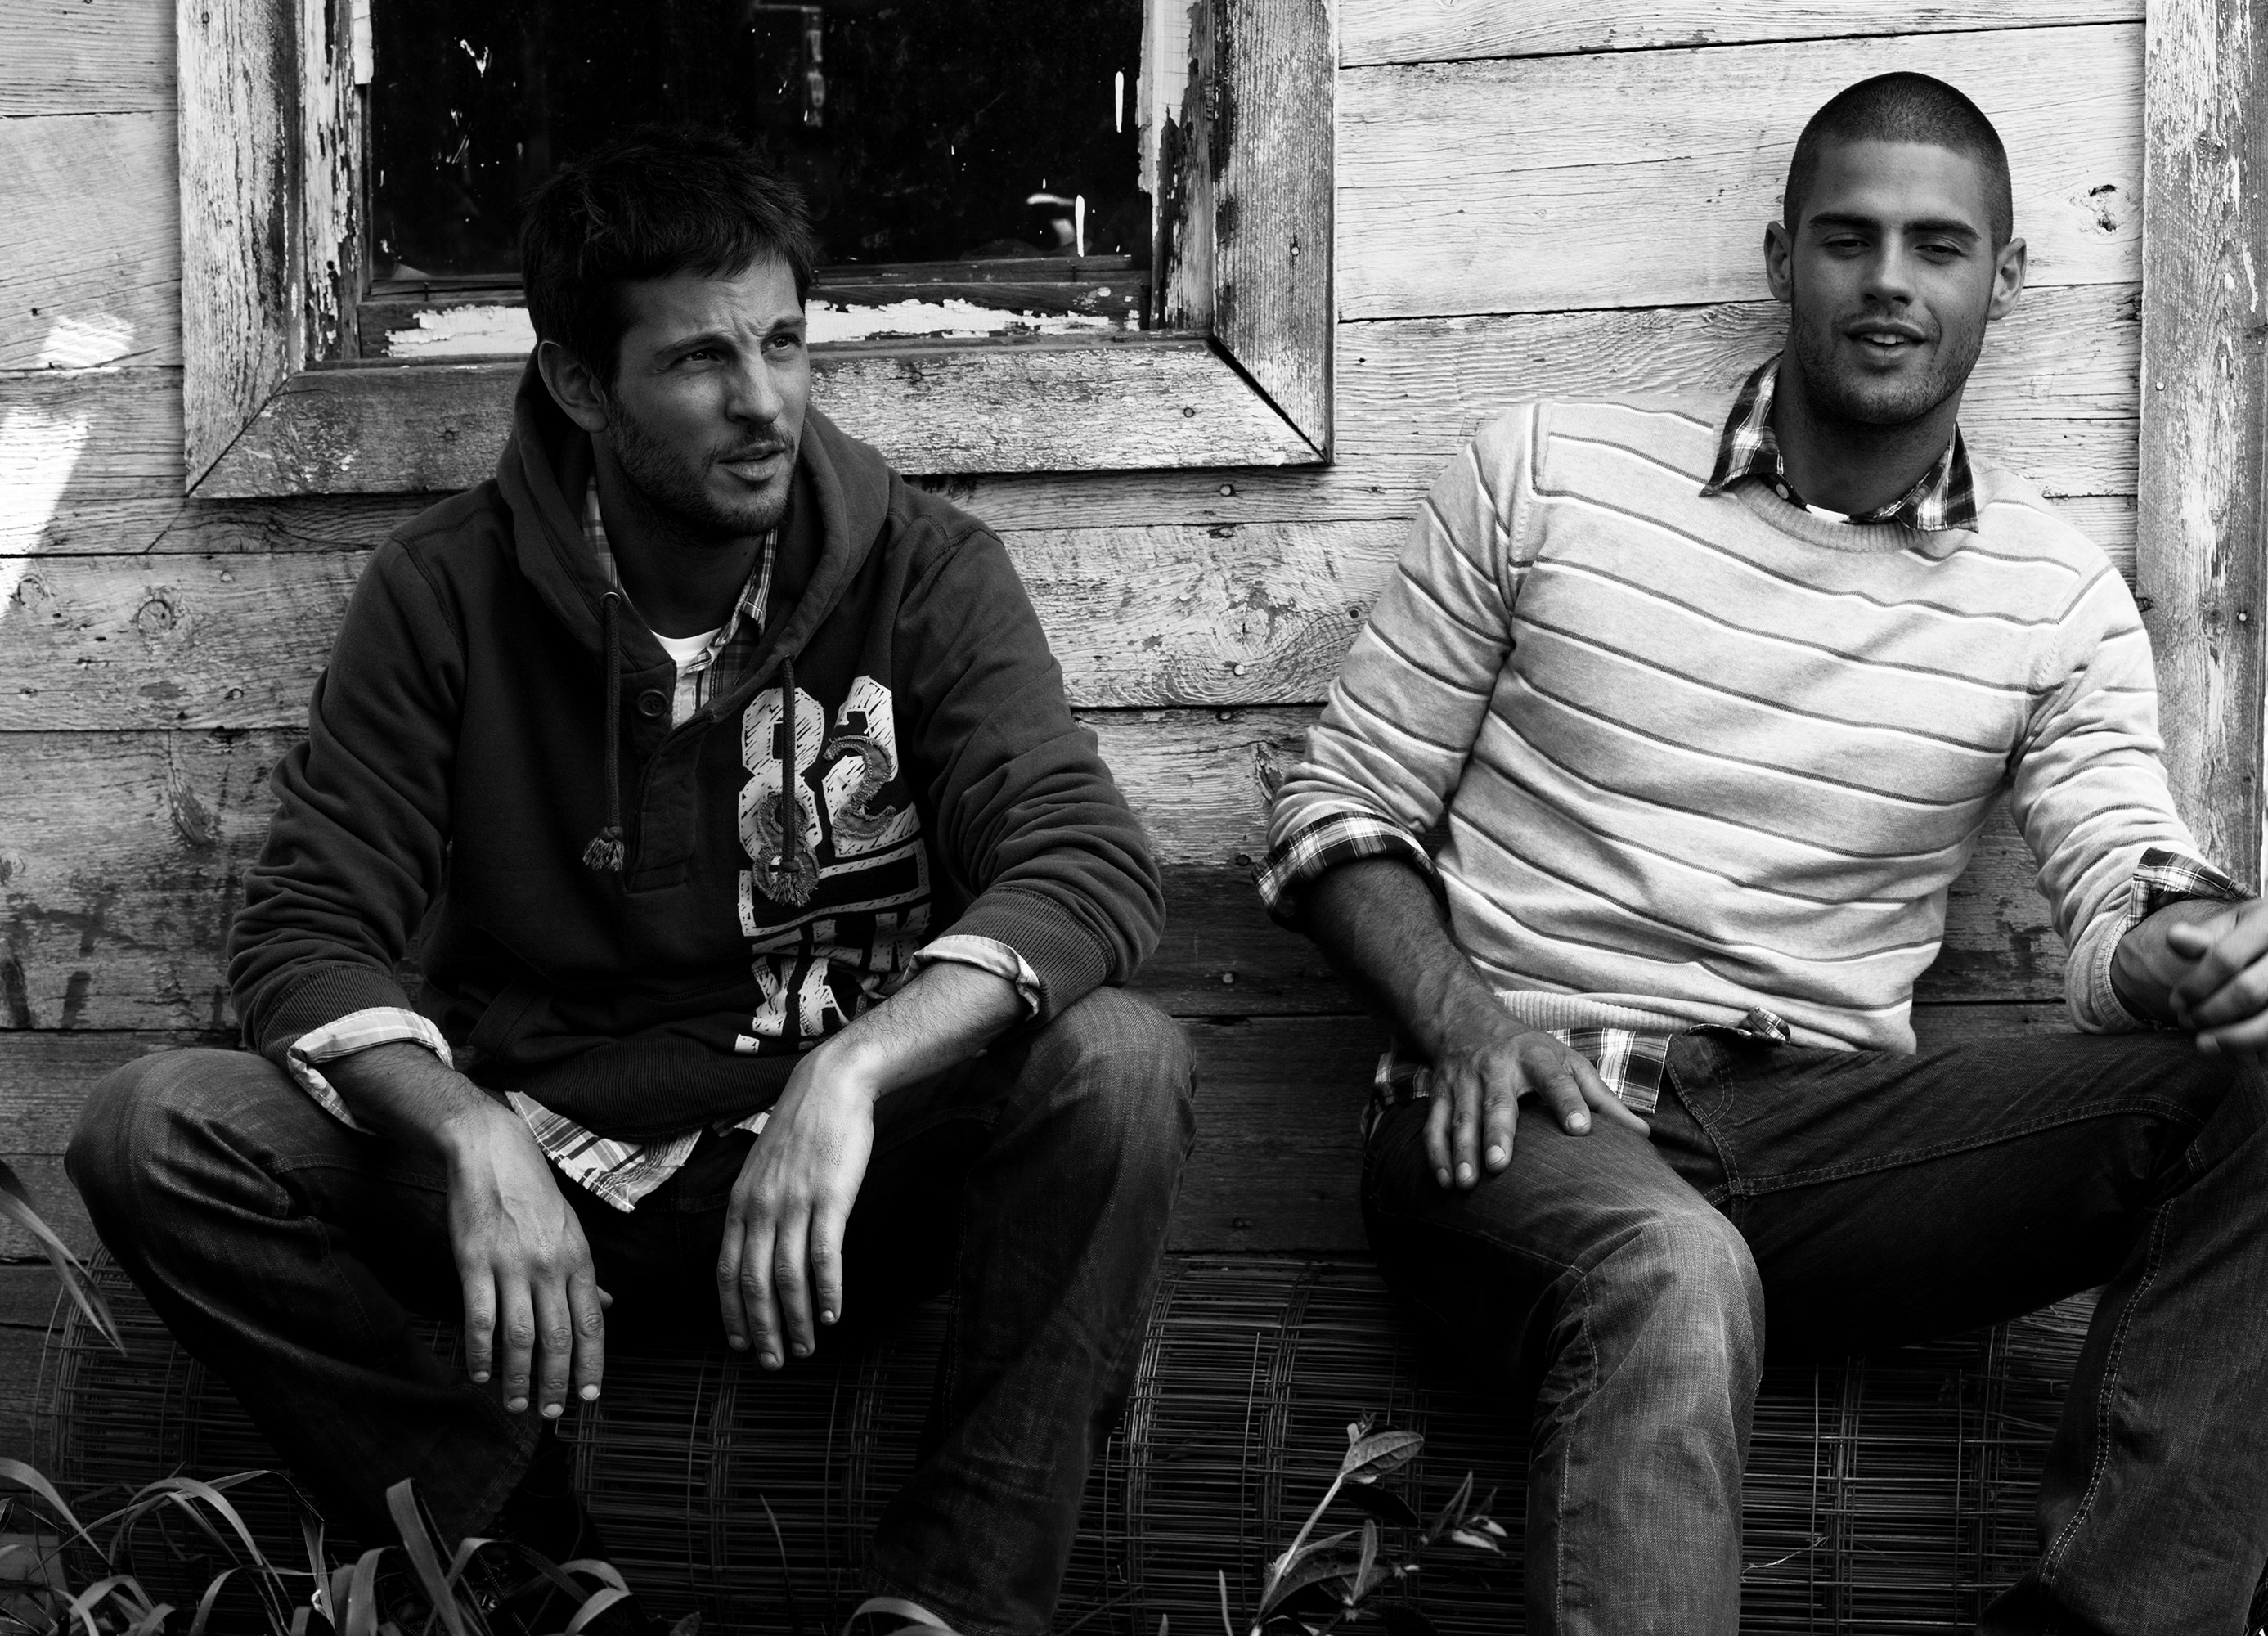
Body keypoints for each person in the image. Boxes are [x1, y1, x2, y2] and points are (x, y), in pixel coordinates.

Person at [68, 128, 1193, 1636]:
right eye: (700, 359)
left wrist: (852, 1073)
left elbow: (1085, 860)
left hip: (830, 1187)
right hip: (542, 1176)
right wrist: (468, 1133)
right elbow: (304, 932)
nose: (763, 402)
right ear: (580, 385)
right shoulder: (444, 590)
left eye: (783, 342)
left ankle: (947, 1611)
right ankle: (536, 1588)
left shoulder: (924, 571)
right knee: (154, 1131)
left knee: (1120, 1064)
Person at [1259, 72, 2268, 1636]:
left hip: (1822, 1148)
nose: (1888, 281)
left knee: (2253, 1093)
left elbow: (2114, 867)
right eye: (1846, 238)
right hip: (1520, 1118)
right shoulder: (1543, 476)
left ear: (2004, 277)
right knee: (1671, 1264)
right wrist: (1462, 1020)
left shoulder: (2053, 598)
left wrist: (2171, 946)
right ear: (1780, 254)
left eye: (1937, 246)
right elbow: (1334, 806)